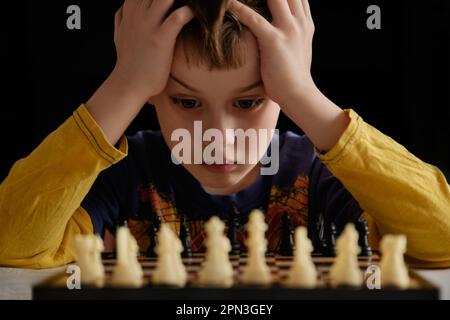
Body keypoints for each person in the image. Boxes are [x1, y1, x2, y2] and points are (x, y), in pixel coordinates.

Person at [0, 0, 449, 269]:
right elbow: (14, 247)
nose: (218, 135)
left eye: (248, 102)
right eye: (188, 102)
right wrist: (125, 84)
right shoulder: (120, 176)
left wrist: (305, 93)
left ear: (282, 95)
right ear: (152, 94)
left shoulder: (320, 179)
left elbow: (443, 242)